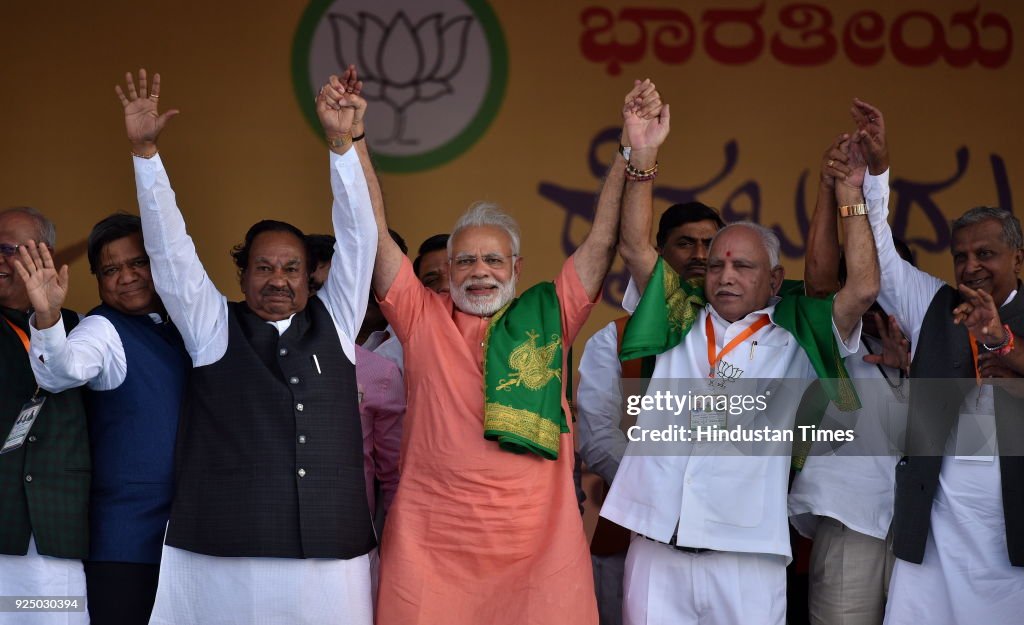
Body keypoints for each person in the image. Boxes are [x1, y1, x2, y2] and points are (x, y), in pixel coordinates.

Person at [342, 71, 663, 625]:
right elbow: (373, 232)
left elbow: (603, 241)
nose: (480, 273)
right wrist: (355, 139)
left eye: (493, 260)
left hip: (538, 547)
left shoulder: (551, 311)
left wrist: (629, 152)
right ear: (448, 271)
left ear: (516, 268)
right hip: (433, 545)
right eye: (465, 261)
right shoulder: (421, 318)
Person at [115, 67, 378, 624]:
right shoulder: (212, 326)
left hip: (332, 555)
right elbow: (170, 250)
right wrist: (145, 155)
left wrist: (342, 144)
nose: (277, 280)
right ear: (241, 278)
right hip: (225, 552)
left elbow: (360, 236)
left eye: (290, 269)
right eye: (262, 268)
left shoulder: (339, 320)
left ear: (312, 278)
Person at [600, 107, 880, 623]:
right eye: (718, 264)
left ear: (774, 281)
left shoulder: (797, 338)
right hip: (656, 546)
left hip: (746, 555)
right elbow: (634, 245)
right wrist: (643, 155)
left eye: (742, 266)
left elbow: (861, 287)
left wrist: (850, 199)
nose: (724, 275)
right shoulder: (677, 316)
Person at [849, 99, 1024, 625]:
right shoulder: (934, 304)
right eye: (961, 256)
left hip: (1014, 532)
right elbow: (879, 249)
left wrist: (999, 340)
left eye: (986, 255)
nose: (970, 267)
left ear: (1017, 259)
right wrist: (877, 172)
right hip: (938, 529)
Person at [17, 214, 188, 625]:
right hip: (125, 543)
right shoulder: (102, 328)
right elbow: (61, 371)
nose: (126, 277)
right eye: (111, 269)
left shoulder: (184, 324)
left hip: (184, 540)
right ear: (96, 277)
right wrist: (48, 318)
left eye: (138, 263)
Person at [788, 133, 916, 625]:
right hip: (851, 520)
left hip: (923, 528)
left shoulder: (933, 341)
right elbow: (820, 279)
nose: (880, 296)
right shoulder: (836, 339)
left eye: (891, 284)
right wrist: (829, 187)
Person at [576, 201, 725, 625]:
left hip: (729, 536)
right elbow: (598, 438)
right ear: (659, 251)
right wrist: (664, 491)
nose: (699, 254)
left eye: (709, 244)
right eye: (685, 243)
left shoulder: (756, 336)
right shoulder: (613, 340)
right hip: (632, 533)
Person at [0, 206, 90, 625]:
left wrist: (47, 315)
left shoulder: (84, 329)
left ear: (45, 255)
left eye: (6, 249)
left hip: (57, 528)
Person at [307, 232, 403, 526]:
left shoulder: (379, 371)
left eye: (336, 289)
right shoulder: (259, 357)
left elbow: (394, 478)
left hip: (349, 541)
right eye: (314, 288)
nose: (324, 301)